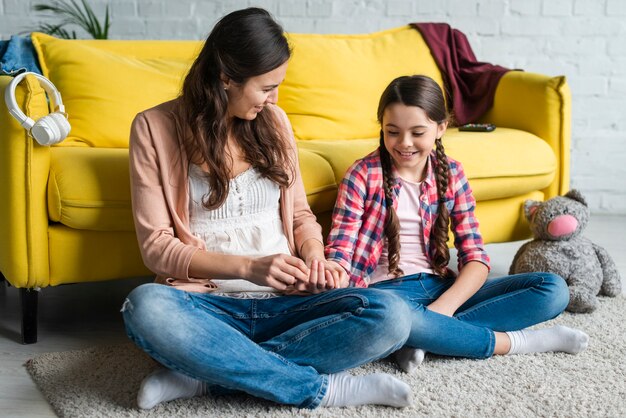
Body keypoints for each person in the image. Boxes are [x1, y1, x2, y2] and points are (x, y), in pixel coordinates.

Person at [121, 8, 414, 410]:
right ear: (226, 77)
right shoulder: (153, 128)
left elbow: (299, 217)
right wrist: (249, 268)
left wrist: (316, 259)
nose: (274, 98)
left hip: (287, 301)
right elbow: (156, 247)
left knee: (392, 315)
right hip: (209, 306)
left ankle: (207, 377)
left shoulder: (274, 121)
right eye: (267, 87)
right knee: (145, 307)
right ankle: (321, 389)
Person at [326, 74, 590, 373]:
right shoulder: (362, 175)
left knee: (553, 289)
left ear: (440, 128)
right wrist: (330, 276)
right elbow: (341, 249)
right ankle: (519, 342)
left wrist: (443, 309)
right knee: (387, 317)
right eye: (392, 132)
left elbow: (475, 256)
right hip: (388, 296)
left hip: (440, 286)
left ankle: (422, 337)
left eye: (417, 132)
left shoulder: (451, 173)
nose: (404, 143)